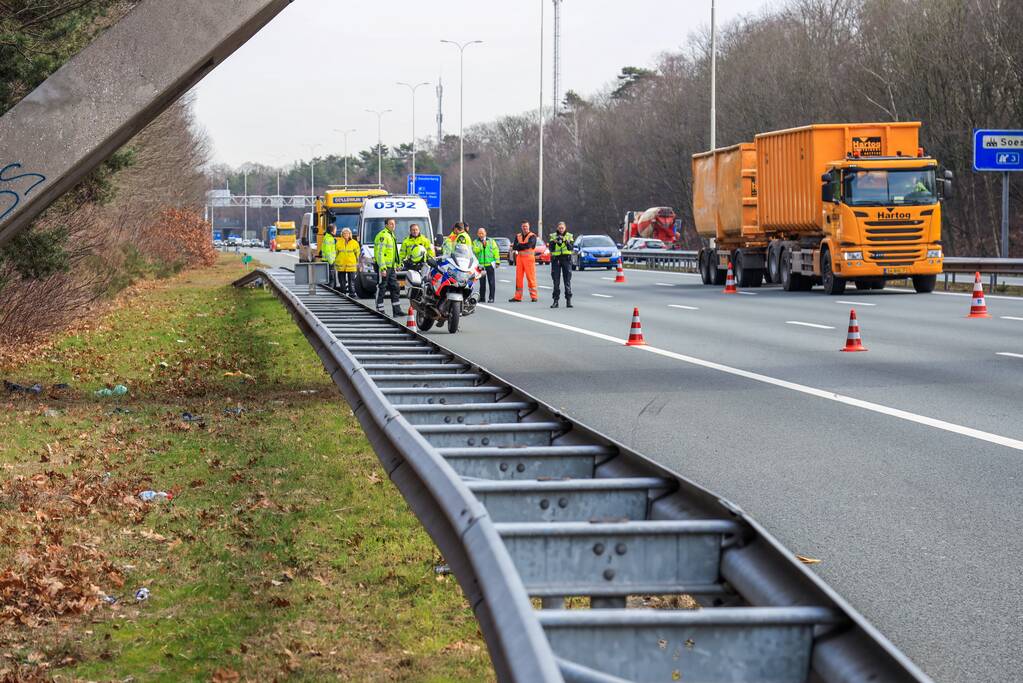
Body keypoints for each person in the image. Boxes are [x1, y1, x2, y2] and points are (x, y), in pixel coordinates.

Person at [374, 218, 403, 316]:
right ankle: (380, 310)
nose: (393, 225)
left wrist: (396, 265)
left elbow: (393, 254)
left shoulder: (391, 235)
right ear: (386, 225)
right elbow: (380, 253)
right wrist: (382, 268)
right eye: (391, 224)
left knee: (395, 287)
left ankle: (397, 311)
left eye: (394, 224)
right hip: (384, 267)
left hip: (391, 267)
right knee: (382, 288)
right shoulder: (383, 235)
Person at [508, 220, 538, 302]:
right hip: (520, 258)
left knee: (530, 278)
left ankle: (534, 296)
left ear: (529, 227)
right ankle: (517, 297)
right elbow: (515, 247)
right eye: (523, 226)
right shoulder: (518, 236)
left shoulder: (532, 236)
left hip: (529, 259)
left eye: (526, 226)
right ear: (521, 227)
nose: (525, 228)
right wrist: (521, 246)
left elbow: (529, 245)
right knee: (519, 278)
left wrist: (519, 245)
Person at [548, 221, 574, 308]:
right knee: (556, 281)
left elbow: (571, 248)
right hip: (556, 260)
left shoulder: (569, 236)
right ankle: (555, 301)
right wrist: (554, 242)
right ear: (557, 228)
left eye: (562, 228)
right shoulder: (553, 236)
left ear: (565, 228)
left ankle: (568, 301)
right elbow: (551, 248)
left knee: (567, 281)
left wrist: (566, 241)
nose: (561, 229)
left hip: (566, 259)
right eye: (559, 228)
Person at [472, 227, 500, 303]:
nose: (481, 235)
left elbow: (496, 251)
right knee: (482, 283)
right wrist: (482, 246)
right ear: (477, 234)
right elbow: (474, 251)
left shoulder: (491, 241)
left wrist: (497, 262)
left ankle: (491, 298)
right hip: (481, 265)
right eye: (479, 233)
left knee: (491, 282)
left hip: (490, 264)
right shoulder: (475, 242)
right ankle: (482, 298)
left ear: (485, 233)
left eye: (482, 233)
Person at [335, 227, 359, 296]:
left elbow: (357, 253)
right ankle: (343, 292)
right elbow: (335, 253)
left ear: (350, 234)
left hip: (351, 265)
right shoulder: (338, 242)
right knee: (342, 281)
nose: (345, 234)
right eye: (344, 233)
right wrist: (334, 261)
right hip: (341, 265)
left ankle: (352, 293)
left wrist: (358, 263)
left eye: (347, 233)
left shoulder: (354, 243)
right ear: (342, 234)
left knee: (351, 281)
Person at [318, 223, 338, 288]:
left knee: (328, 279)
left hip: (326, 261)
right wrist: (331, 261)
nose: (336, 231)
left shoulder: (327, 237)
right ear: (332, 231)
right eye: (335, 230)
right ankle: (330, 292)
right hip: (329, 262)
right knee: (331, 279)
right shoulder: (329, 239)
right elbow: (328, 251)